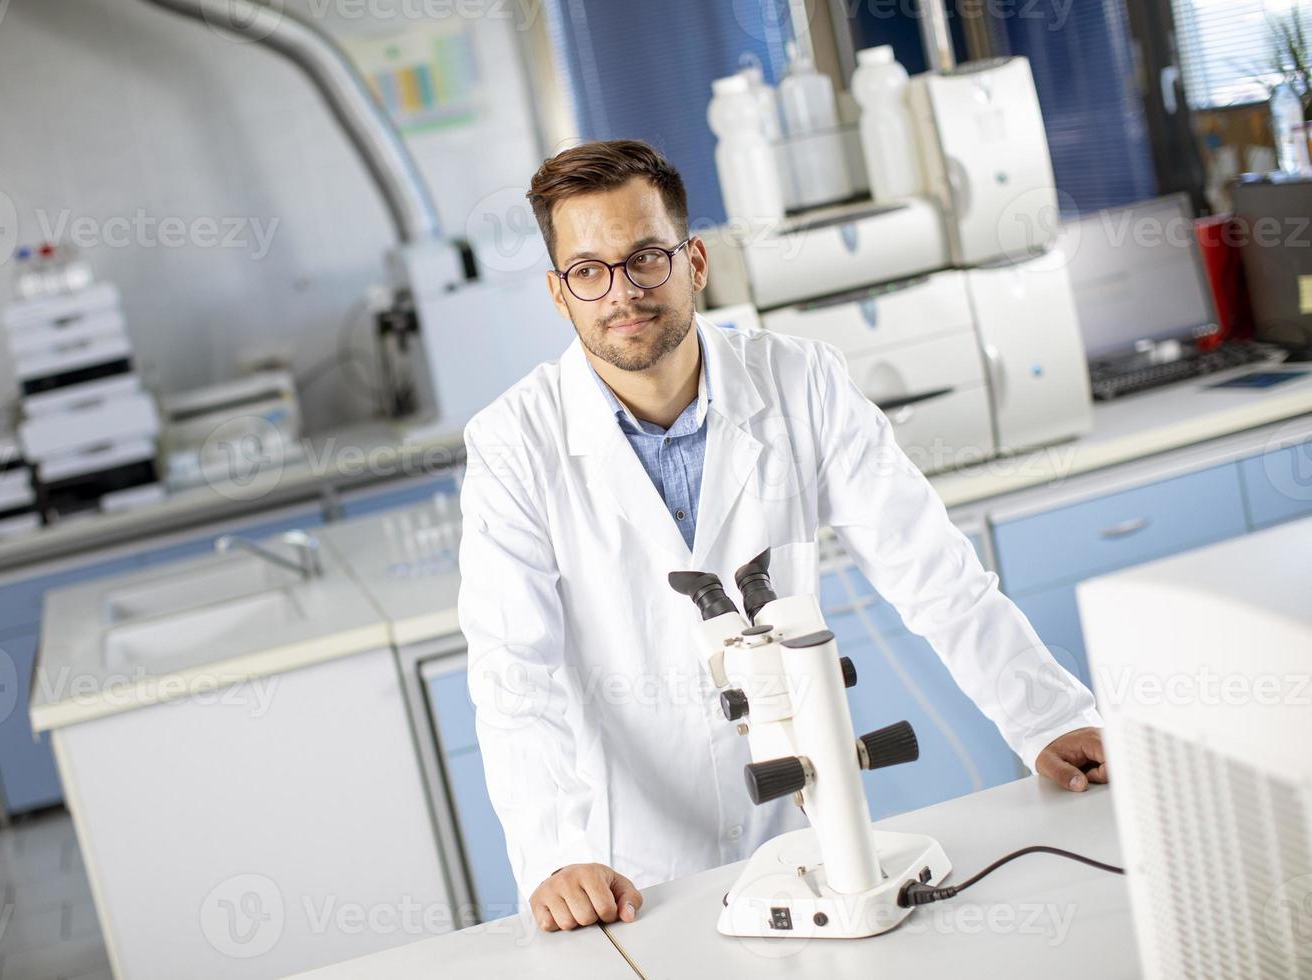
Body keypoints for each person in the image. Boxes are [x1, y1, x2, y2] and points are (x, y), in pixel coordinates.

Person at [456, 139, 1107, 933]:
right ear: (561, 295)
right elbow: (512, 673)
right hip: (629, 873)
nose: (621, 292)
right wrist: (556, 853)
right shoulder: (513, 444)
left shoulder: (803, 382)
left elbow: (933, 570)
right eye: (589, 271)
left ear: (694, 260)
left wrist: (1047, 718)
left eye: (647, 257)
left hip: (805, 831)